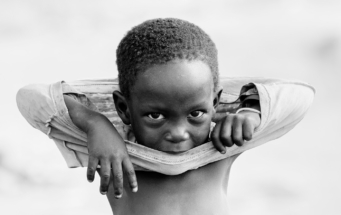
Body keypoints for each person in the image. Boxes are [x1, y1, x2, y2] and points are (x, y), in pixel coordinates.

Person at [16, 18, 314, 215]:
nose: (179, 133)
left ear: (215, 102)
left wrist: (249, 111)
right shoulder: (115, 154)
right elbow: (31, 97)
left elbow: (299, 96)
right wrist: (96, 123)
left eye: (196, 113)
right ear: (123, 109)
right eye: (156, 116)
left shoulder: (220, 146)